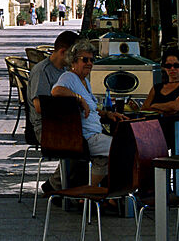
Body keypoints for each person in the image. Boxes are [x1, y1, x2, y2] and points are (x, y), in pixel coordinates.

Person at [52, 39, 127, 185]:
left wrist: (106, 114)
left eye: (92, 60)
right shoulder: (69, 77)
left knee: (106, 158)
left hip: (94, 136)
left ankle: (96, 195)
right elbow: (56, 91)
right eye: (84, 59)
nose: (89, 63)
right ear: (73, 61)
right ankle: (109, 193)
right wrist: (79, 98)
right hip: (86, 138)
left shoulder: (84, 81)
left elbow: (92, 109)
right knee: (128, 147)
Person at [27, 30, 80, 193]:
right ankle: (57, 186)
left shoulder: (67, 72)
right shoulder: (42, 71)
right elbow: (39, 106)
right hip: (45, 127)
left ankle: (67, 186)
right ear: (63, 52)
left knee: (93, 141)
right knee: (82, 146)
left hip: (66, 122)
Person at [142, 47, 179, 152]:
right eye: (168, 66)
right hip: (156, 129)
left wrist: (155, 106)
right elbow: (144, 108)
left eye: (176, 65)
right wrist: (168, 107)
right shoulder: (157, 87)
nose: (172, 69)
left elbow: (176, 107)